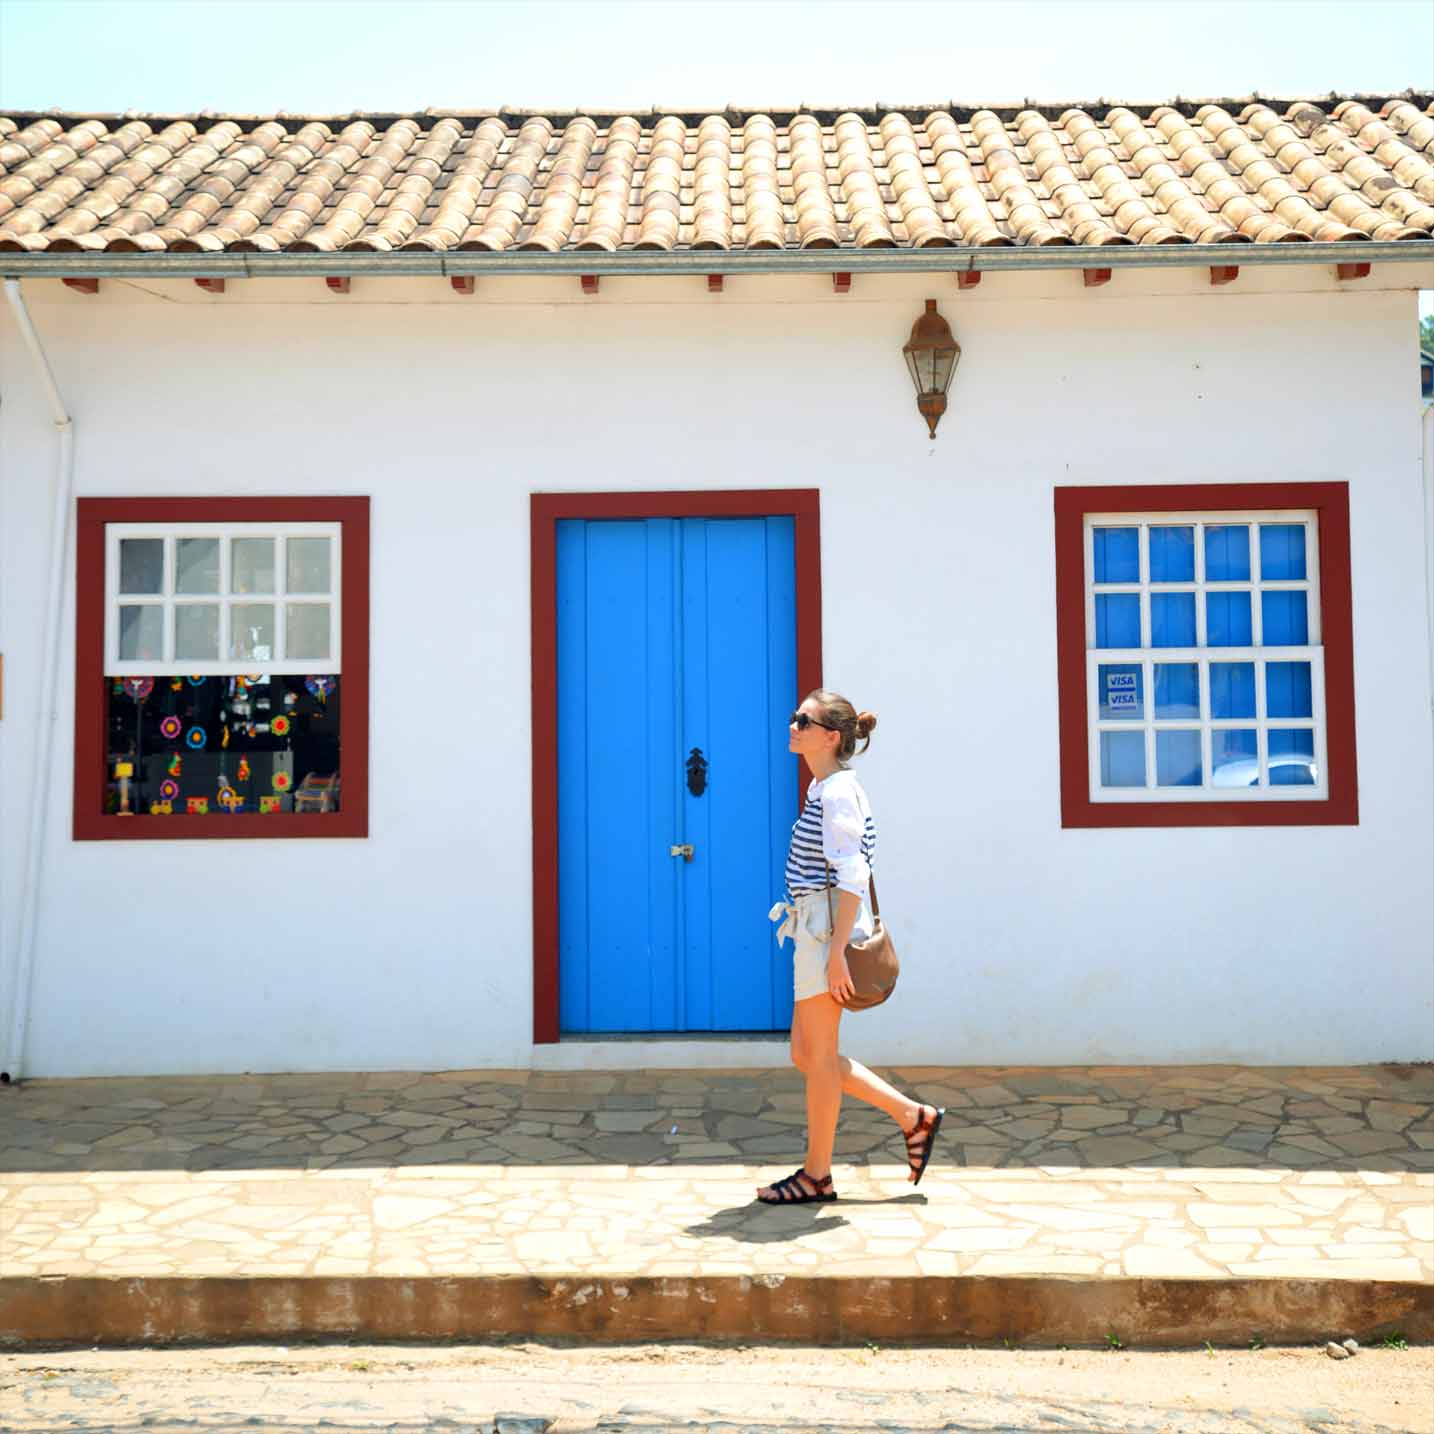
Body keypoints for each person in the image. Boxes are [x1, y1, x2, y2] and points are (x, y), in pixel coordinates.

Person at [757, 689, 943, 1205]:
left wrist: (837, 951)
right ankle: (913, 1116)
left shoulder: (837, 792)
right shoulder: (826, 788)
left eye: (804, 720)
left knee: (817, 1059)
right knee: (806, 1053)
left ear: (830, 736)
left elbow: (853, 874)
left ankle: (817, 1174)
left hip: (825, 932)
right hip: (814, 929)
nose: (792, 724)